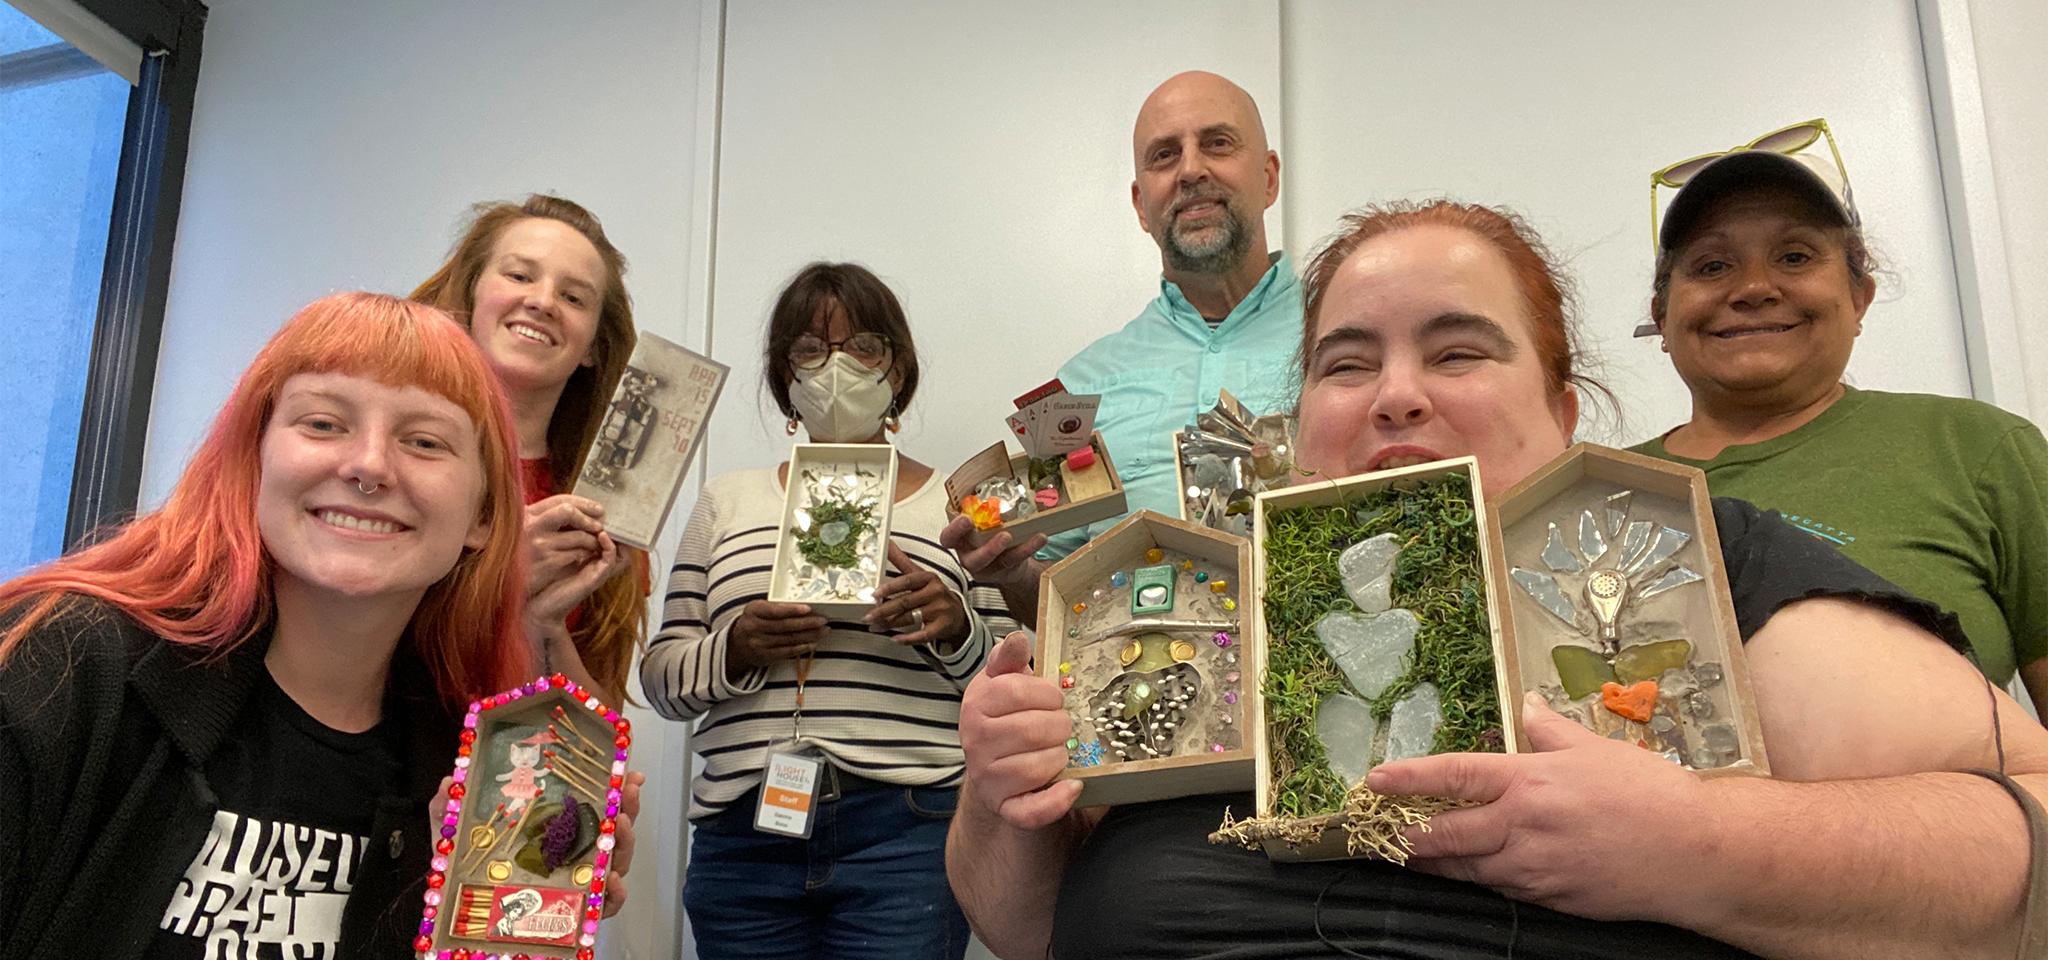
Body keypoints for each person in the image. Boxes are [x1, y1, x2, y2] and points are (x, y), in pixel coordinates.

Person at [946, 201, 2048, 960]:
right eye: (1344, 362)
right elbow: (1023, 930)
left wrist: (1698, 850)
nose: (1393, 395)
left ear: (1562, 411)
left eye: (1458, 351)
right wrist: (1012, 807)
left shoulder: (1689, 556)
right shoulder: (1199, 603)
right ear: (1305, 423)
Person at [0, 293, 642, 960]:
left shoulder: (474, 771)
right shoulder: (61, 663)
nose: (367, 466)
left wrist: (464, 924)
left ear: (482, 516)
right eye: (324, 424)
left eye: (424, 441)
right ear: (254, 464)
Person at [642, 263, 1017, 960]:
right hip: (742, 828)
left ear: (898, 369)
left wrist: (956, 627)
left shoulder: (961, 502)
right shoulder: (728, 500)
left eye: (863, 347)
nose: (836, 368)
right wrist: (735, 649)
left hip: (908, 825)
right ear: (783, 375)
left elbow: (1012, 673)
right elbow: (661, 680)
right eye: (810, 351)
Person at [1627, 119, 2048, 716]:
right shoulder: (1598, 491)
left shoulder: (1978, 447)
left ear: (1859, 299)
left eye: (1794, 256)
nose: (1752, 287)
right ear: (1662, 317)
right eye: (1712, 266)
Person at [942, 70, 1299, 617]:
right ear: (1140, 205)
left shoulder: (1350, 338)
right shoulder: (1079, 387)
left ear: (1270, 178)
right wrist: (1012, 572)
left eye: (1217, 143)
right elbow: (1055, 592)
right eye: (1163, 156)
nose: (1191, 169)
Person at [413, 194, 648, 707]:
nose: (542, 301)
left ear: (592, 348)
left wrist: (543, 625)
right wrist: (500, 577)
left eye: (574, 297)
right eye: (520, 276)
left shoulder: (610, 513)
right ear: (468, 299)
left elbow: (599, 734)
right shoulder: (390, 462)